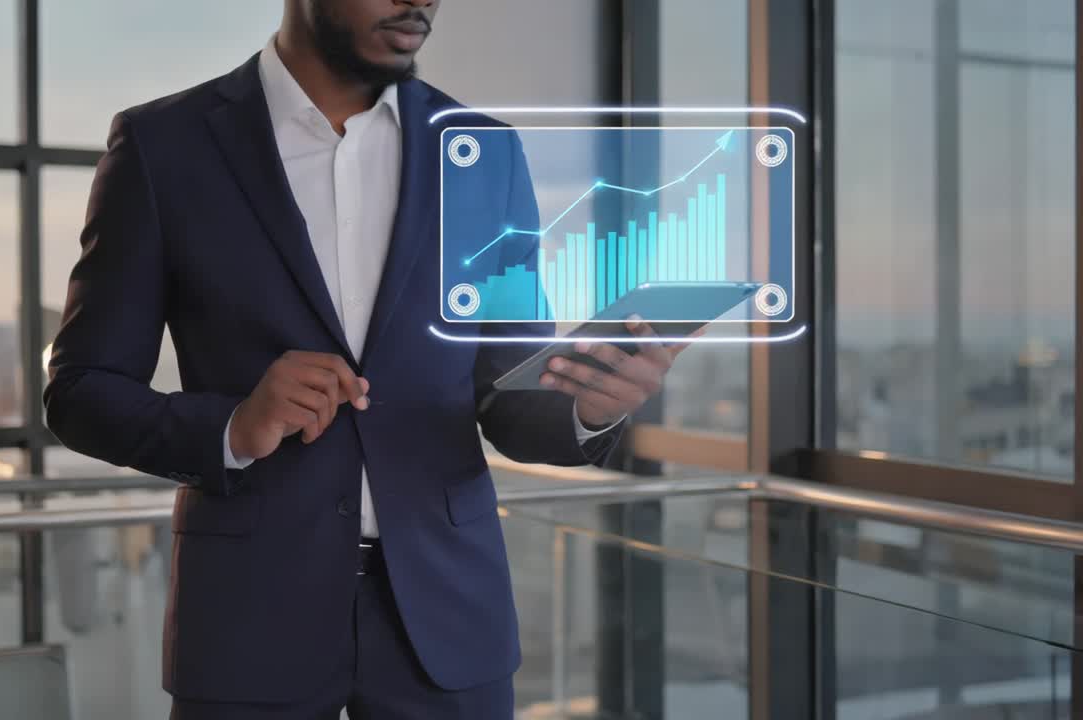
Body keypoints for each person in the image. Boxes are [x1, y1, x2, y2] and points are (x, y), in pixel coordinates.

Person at [43, 1, 691, 717]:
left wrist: (586, 409)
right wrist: (231, 427)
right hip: (248, 619)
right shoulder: (165, 146)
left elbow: (505, 398)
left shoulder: (484, 151)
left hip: (449, 619)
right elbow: (79, 389)